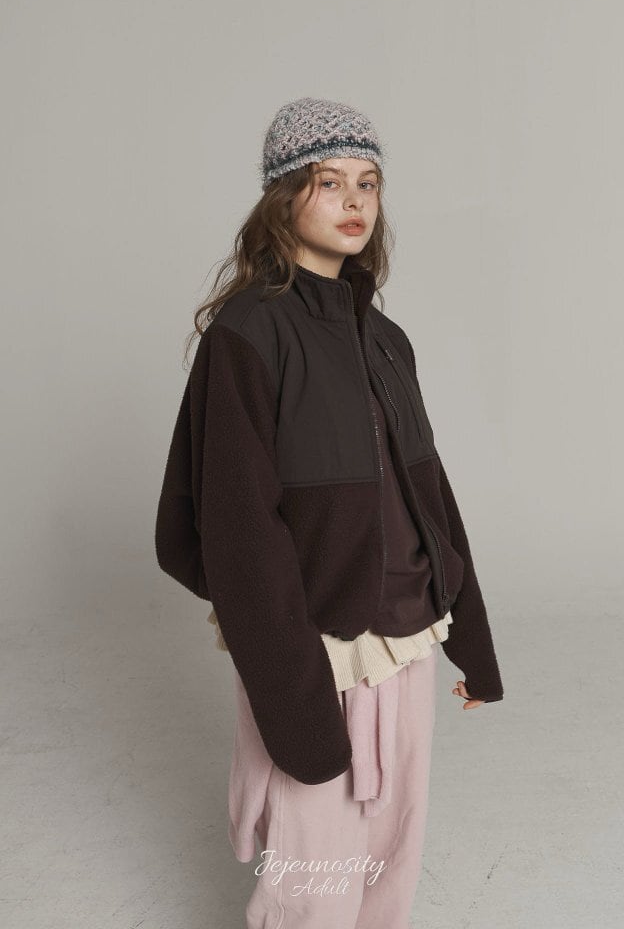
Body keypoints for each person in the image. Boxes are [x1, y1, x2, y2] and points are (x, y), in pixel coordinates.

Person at [155, 96, 504, 928]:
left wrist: (473, 642)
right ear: (284, 198)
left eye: (368, 183)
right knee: (318, 860)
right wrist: (291, 687)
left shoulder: (385, 339)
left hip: (407, 630)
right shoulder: (249, 334)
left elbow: (430, 495)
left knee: (393, 845)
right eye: (329, 182)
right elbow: (238, 528)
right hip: (312, 639)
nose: (355, 201)